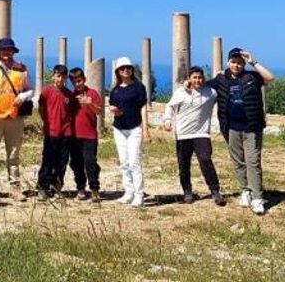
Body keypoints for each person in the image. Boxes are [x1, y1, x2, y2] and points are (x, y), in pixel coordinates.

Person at [207, 48, 274, 215]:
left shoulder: (252, 77)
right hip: (230, 127)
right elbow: (202, 86)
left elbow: (270, 78)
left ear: (243, 64)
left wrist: (253, 62)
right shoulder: (221, 79)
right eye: (233, 62)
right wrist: (188, 83)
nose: (235, 65)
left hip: (252, 127)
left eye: (239, 63)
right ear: (228, 62)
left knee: (253, 161)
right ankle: (245, 190)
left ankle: (257, 197)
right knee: (238, 161)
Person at [0, 38, 33, 201]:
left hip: (14, 116)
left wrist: (22, 97)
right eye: (3, 49)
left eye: (9, 49)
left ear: (13, 51)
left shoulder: (21, 69)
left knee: (13, 154)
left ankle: (15, 187)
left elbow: (30, 90)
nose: (6, 52)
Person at [164, 66, 225, 206]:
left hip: (201, 133)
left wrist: (222, 74)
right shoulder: (180, 92)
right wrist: (167, 120)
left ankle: (215, 191)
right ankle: (187, 192)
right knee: (183, 165)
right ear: (189, 79)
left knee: (205, 160)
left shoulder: (211, 93)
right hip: (183, 134)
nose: (198, 80)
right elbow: (170, 106)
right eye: (195, 77)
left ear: (204, 78)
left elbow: (224, 87)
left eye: (200, 77)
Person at [108, 56, 149, 207]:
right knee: (124, 162)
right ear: (118, 71)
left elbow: (143, 107)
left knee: (134, 162)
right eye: (122, 68)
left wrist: (145, 129)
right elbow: (112, 105)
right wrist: (113, 110)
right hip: (119, 129)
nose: (126, 70)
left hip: (134, 128)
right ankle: (129, 192)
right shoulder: (115, 90)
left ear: (132, 70)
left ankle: (139, 195)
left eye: (128, 68)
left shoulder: (139, 87)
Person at [36, 65, 75, 200]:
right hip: (51, 132)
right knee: (48, 160)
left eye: (63, 77)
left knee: (62, 161)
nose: (60, 79)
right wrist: (47, 122)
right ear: (53, 76)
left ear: (66, 78)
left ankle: (56, 186)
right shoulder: (46, 91)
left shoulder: (69, 94)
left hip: (66, 132)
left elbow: (71, 113)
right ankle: (42, 187)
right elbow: (41, 109)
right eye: (58, 76)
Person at [66, 67, 102, 201]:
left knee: (90, 162)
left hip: (90, 136)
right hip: (74, 135)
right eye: (74, 82)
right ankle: (80, 188)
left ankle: (94, 189)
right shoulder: (70, 96)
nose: (77, 84)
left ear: (84, 80)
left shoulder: (93, 93)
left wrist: (90, 103)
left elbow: (99, 111)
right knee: (76, 163)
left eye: (79, 81)